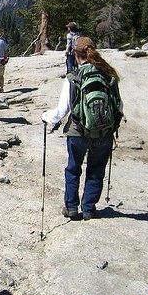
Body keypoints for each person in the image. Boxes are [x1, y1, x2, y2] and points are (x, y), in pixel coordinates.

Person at [41, 37, 122, 221]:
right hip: (103, 133)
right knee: (96, 170)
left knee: (73, 168)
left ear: (77, 56)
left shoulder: (74, 78)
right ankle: (89, 208)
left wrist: (45, 116)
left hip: (78, 132)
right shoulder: (108, 76)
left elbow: (61, 111)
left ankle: (71, 207)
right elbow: (119, 106)